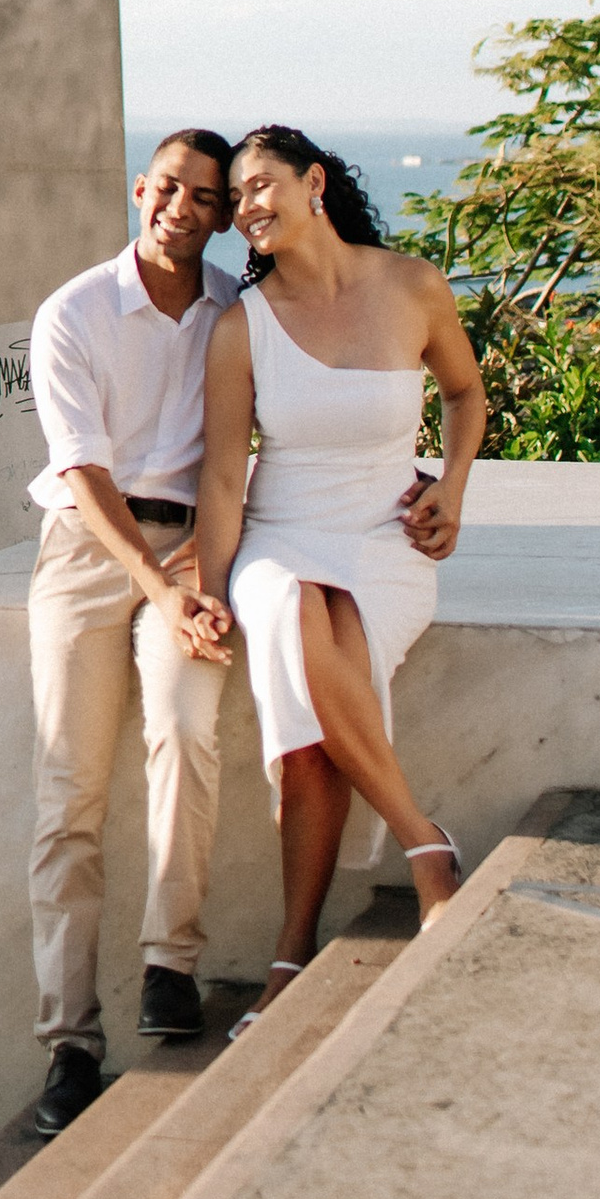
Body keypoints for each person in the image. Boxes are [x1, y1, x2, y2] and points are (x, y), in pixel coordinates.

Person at [191, 124, 487, 1024]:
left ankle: (291, 955)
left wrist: (456, 488)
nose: (246, 208)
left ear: (313, 182)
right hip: (282, 536)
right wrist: (207, 587)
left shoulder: (411, 286)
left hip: (383, 541)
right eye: (235, 198)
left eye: (260, 186)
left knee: (316, 712)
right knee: (288, 610)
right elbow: (218, 476)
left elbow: (466, 393)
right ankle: (423, 843)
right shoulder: (243, 329)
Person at [25, 130, 242, 1136]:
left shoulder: (237, 311)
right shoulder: (74, 311)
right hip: (88, 548)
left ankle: (172, 961)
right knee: (68, 792)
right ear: (138, 190)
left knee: (186, 725)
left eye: (204, 195)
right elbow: (82, 469)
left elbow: (265, 439)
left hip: (194, 549)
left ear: (223, 211)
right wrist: (152, 585)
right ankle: (68, 1043)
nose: (180, 208)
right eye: (166, 188)